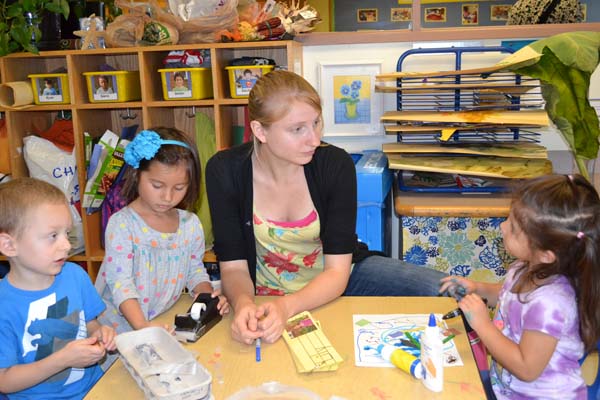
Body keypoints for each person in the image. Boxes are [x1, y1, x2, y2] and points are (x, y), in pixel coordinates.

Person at [205, 70, 446, 345]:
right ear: (260, 131)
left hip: (339, 281)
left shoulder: (334, 164)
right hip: (265, 293)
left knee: (443, 291)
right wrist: (245, 305)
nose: (314, 139)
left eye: (316, 123)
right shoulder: (224, 171)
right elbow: (234, 268)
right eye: (298, 129)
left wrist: (288, 307)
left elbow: (337, 272)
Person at [439, 174, 600, 399]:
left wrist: (483, 325)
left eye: (514, 228)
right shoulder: (525, 268)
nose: (503, 227)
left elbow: (527, 368)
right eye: (509, 218)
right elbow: (507, 296)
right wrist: (477, 288)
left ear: (546, 254)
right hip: (506, 387)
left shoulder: (550, 304)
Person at [95, 127, 229, 338]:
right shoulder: (122, 224)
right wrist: (142, 327)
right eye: (157, 185)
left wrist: (207, 298)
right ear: (136, 174)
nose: (167, 197)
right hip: (116, 329)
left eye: (179, 188)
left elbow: (194, 271)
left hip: (160, 320)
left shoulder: (190, 224)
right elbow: (121, 285)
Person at [0, 177, 117, 399]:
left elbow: (89, 323)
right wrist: (63, 359)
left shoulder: (75, 275)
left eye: (67, 234)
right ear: (9, 245)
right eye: (53, 236)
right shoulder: (4, 305)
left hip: (94, 388)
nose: (66, 245)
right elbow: (4, 380)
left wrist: (99, 333)